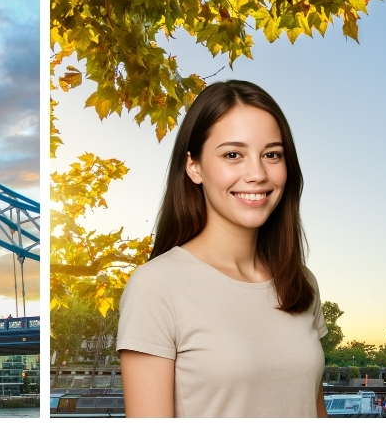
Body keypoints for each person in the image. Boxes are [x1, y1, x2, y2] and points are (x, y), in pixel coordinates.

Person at [117, 80, 327, 418]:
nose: (257, 173)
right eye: (233, 155)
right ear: (194, 167)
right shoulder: (156, 287)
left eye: (271, 155)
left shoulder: (301, 283)